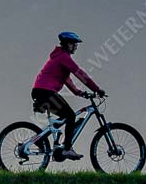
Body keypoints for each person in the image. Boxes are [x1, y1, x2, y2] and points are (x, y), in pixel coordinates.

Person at [30, 31, 105, 160]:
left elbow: (67, 80)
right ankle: (67, 149)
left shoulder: (59, 57)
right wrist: (97, 89)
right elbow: (80, 74)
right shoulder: (64, 57)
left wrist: (79, 92)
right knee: (70, 115)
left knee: (65, 116)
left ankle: (39, 139)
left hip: (40, 90)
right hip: (45, 91)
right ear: (67, 44)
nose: (75, 47)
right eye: (74, 44)